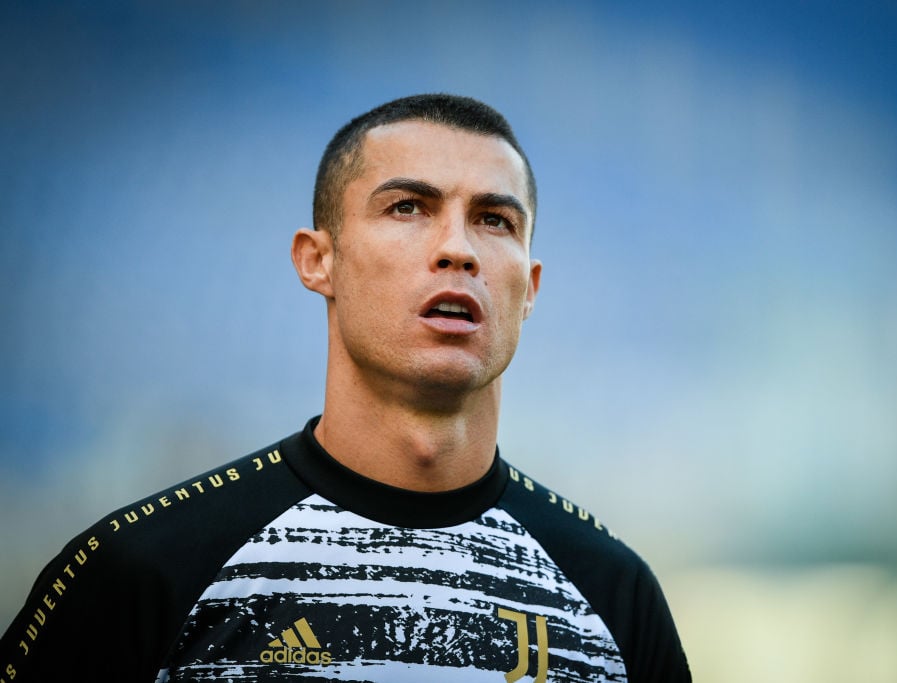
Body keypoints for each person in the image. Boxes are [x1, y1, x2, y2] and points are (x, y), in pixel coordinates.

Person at [0, 94, 690, 682]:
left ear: (530, 287)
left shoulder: (613, 596)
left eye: (494, 219)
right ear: (317, 260)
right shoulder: (143, 572)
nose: (459, 248)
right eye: (409, 207)